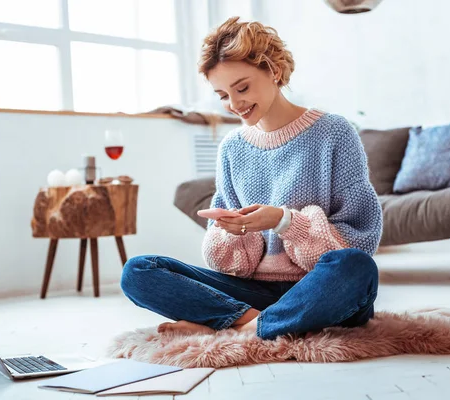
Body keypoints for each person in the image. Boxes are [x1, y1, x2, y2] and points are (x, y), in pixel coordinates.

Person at [120, 17, 383, 341]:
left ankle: (234, 327)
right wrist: (233, 230)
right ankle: (257, 324)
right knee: (139, 271)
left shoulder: (334, 132)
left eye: (242, 87)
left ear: (273, 70)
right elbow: (231, 265)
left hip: (322, 288)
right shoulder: (232, 147)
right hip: (254, 292)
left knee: (356, 267)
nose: (234, 104)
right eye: (222, 95)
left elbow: (360, 239)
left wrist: (284, 221)